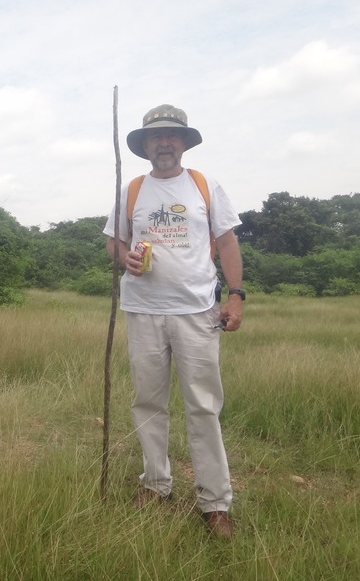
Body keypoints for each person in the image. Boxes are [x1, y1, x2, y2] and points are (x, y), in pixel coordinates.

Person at [103, 104, 244, 539]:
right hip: (143, 310)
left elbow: (226, 240)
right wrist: (122, 256)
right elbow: (113, 240)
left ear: (183, 142)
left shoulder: (204, 184)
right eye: (155, 138)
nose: (164, 143)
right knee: (148, 402)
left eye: (172, 136)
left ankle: (215, 502)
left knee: (203, 404)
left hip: (196, 310)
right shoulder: (131, 190)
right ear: (145, 146)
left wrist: (236, 296)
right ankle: (156, 484)